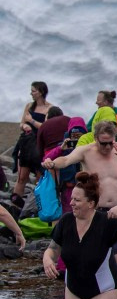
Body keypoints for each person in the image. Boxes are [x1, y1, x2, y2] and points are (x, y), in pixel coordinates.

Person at [43, 121, 117, 280]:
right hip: (94, 213)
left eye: (110, 143)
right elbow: (65, 160)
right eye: (103, 143)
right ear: (95, 138)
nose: (107, 147)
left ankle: (116, 296)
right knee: (91, 258)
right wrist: (52, 163)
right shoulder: (85, 151)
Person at [12, 81, 54, 209]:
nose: (31, 93)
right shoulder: (29, 106)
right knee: (22, 177)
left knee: (39, 178)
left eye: (34, 91)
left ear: (41, 92)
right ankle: (15, 206)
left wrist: (31, 121)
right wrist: (24, 125)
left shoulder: (50, 108)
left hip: (39, 145)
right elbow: (21, 123)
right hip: (26, 143)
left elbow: (45, 127)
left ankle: (35, 207)